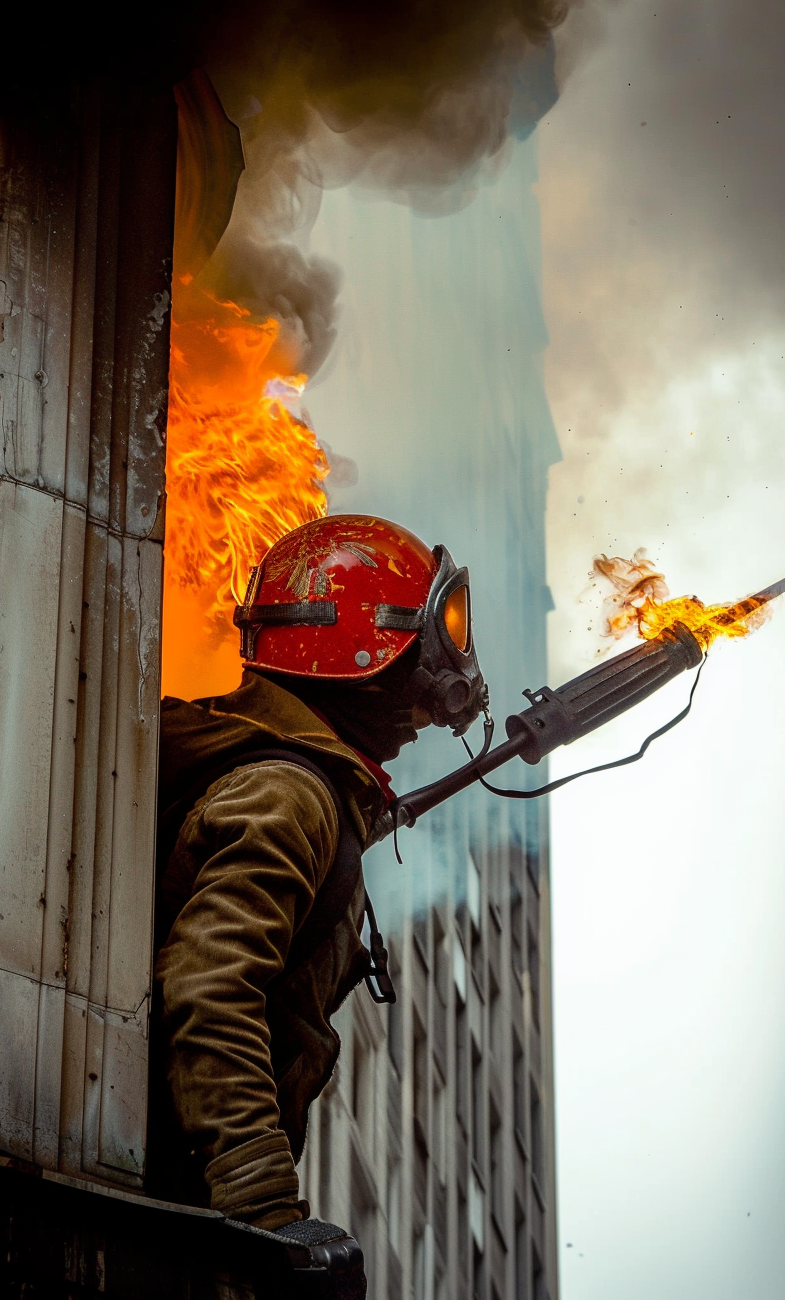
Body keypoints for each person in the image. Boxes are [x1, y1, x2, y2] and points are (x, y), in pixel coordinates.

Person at [150, 514, 487, 1294]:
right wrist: (267, 1215)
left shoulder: (296, 788)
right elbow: (210, 989)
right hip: (169, 1204)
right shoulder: (288, 795)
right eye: (416, 665)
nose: (424, 707)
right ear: (363, 655)